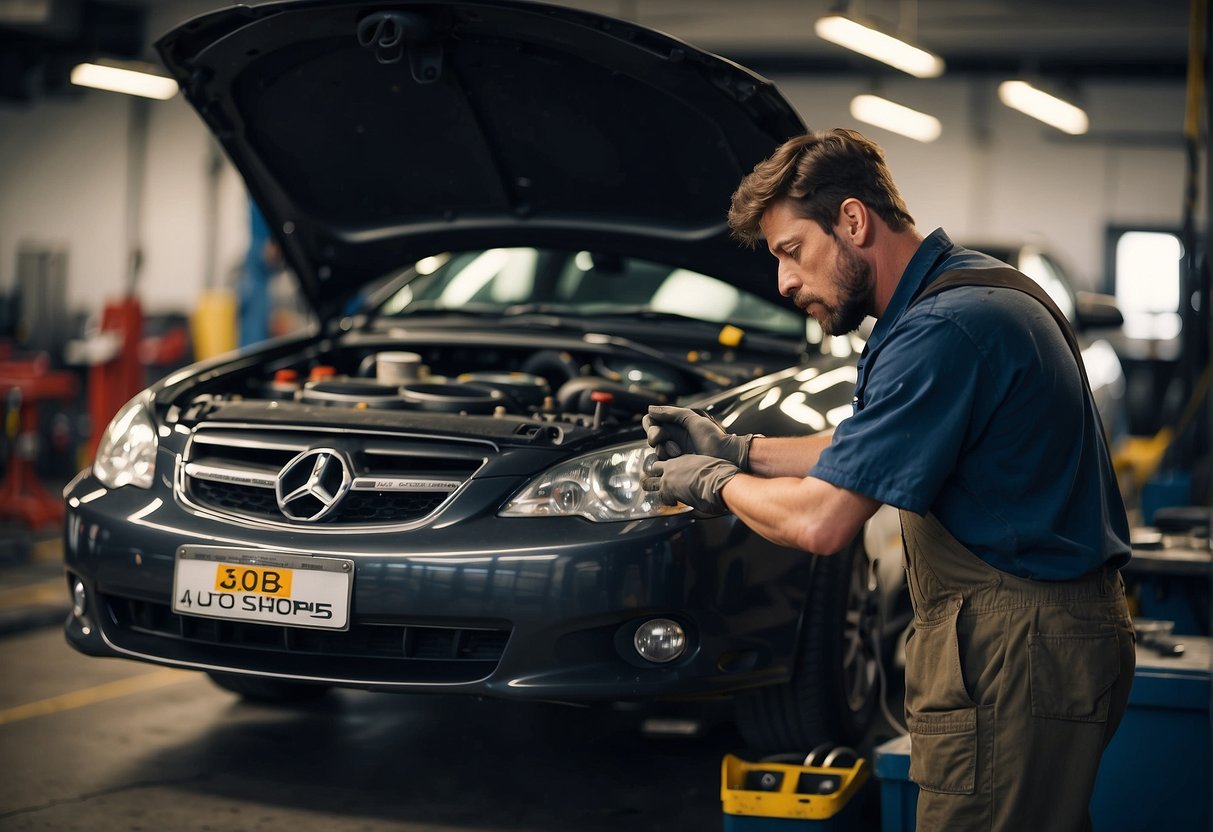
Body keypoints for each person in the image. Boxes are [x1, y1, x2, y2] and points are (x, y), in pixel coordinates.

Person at [642, 128, 1134, 832]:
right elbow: (865, 449)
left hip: (1015, 650)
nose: (783, 282)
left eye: (791, 252)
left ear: (851, 220)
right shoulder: (963, 294)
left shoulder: (943, 329)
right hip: (1037, 640)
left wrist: (711, 481)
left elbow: (822, 522)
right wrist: (741, 447)